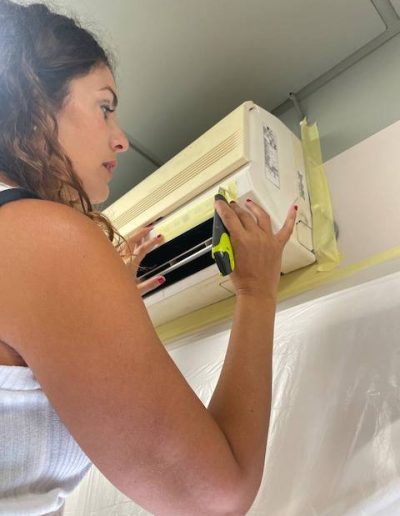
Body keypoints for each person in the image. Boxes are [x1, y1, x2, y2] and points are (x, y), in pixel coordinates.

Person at [0, 1, 298, 515]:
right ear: (33, 100)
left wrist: (98, 304)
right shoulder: (40, 234)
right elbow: (217, 499)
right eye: (105, 107)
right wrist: (257, 291)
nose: (121, 138)